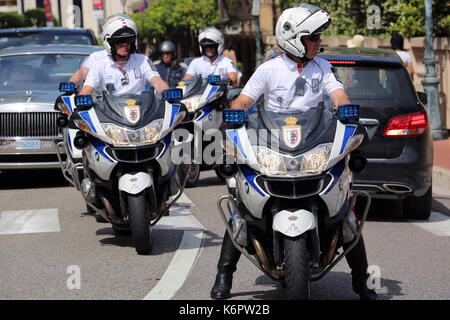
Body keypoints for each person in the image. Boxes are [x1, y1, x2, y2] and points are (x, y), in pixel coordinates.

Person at [210, 3, 377, 301]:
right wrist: (232, 119)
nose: (318, 43)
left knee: (346, 214)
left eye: (317, 38)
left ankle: (362, 282)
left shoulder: (322, 67)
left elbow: (337, 94)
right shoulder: (268, 69)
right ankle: (224, 276)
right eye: (312, 38)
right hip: (273, 146)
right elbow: (245, 101)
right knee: (242, 211)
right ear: (295, 39)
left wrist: (346, 112)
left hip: (312, 142)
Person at [79, 14, 168, 96]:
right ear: (110, 43)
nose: (125, 44)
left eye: (128, 40)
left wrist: (168, 93)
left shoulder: (143, 61)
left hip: (142, 110)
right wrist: (82, 99)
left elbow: (157, 82)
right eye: (119, 41)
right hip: (109, 112)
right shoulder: (99, 65)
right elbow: (87, 89)